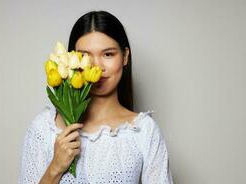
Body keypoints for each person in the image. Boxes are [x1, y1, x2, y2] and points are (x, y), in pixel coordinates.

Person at [18, 11, 173, 184]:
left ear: (125, 57)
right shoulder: (44, 129)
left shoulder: (144, 132)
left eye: (108, 54)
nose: (97, 67)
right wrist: (55, 168)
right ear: (71, 60)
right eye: (85, 56)